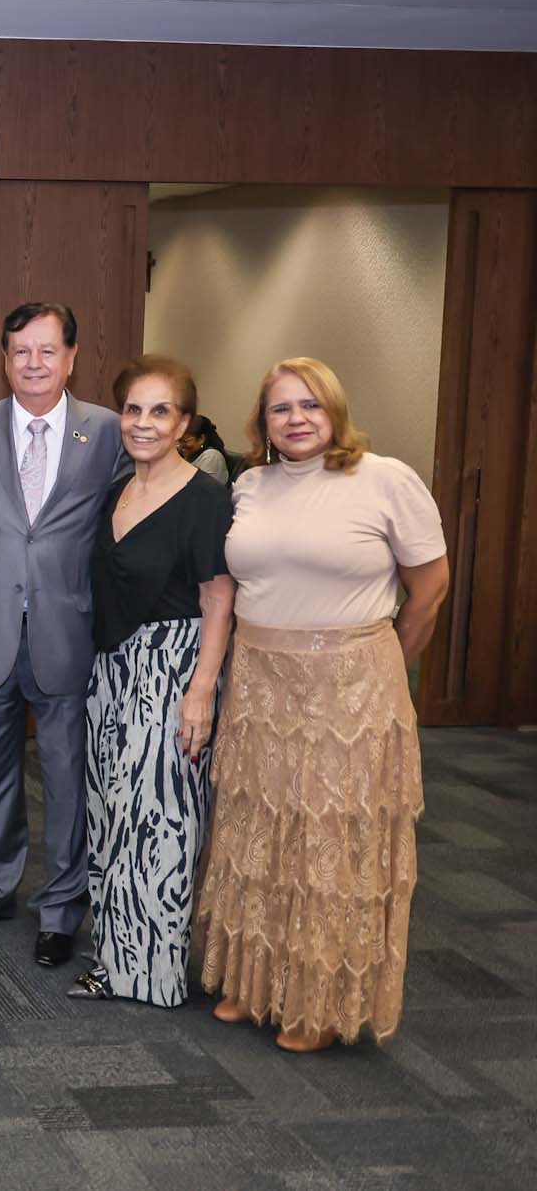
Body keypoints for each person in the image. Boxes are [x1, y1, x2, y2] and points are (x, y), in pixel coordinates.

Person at [194, 357, 448, 1052]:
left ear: (335, 410)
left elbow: (429, 590)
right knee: (259, 832)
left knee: (331, 846)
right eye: (281, 408)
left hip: (352, 689)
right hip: (260, 681)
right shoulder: (249, 485)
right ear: (263, 421)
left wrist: (380, 664)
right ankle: (253, 984)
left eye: (310, 404)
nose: (296, 418)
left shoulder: (385, 479)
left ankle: (320, 1005)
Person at [0, 302, 129, 968]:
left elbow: (126, 531)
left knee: (66, 778)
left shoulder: (109, 431)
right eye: (20, 352)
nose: (33, 363)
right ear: (4, 359)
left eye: (47, 351)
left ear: (71, 358)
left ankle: (62, 908)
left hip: (70, 630)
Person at [69, 355, 233, 1007]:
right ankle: (113, 962)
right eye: (133, 409)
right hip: (112, 669)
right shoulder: (119, 489)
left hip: (173, 669)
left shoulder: (205, 499)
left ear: (184, 423)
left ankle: (155, 977)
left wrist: (201, 692)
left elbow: (219, 599)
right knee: (112, 815)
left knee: (161, 824)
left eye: (160, 411)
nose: (143, 422)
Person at [179, 413, 232, 484]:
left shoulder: (211, 456)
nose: (181, 445)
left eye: (185, 441)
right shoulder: (189, 455)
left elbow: (201, 487)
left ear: (201, 439)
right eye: (179, 440)